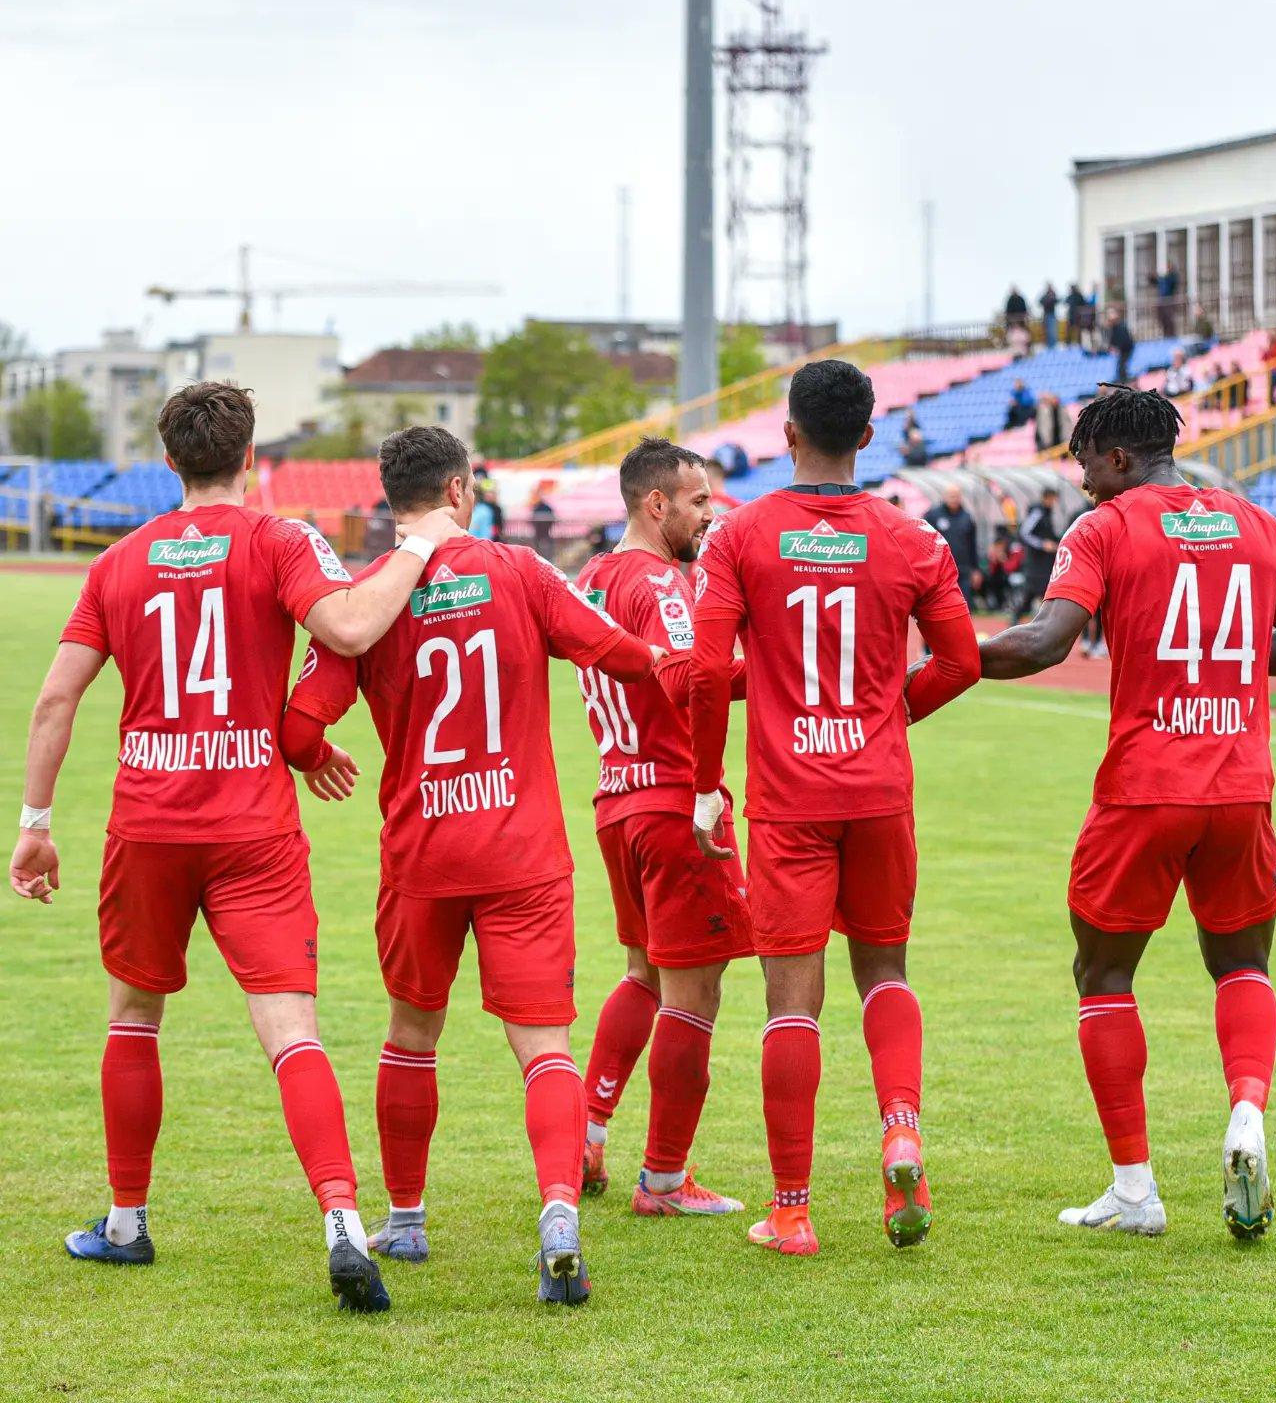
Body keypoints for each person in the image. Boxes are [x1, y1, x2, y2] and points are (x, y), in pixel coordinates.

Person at [7, 383, 465, 1310]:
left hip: (148, 823)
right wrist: (417, 544)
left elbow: (55, 699)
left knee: (134, 1018)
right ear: (251, 457)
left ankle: (127, 1223)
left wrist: (36, 826)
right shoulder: (280, 540)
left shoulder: (120, 561)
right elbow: (345, 628)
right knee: (292, 1033)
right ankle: (341, 1219)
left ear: (167, 461)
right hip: (251, 825)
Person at [278, 425, 661, 1307]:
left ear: (390, 499)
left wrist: (316, 759)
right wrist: (683, 665)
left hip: (422, 852)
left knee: (412, 1035)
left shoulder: (366, 595)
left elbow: (300, 727)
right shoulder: (521, 571)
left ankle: (405, 1220)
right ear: (459, 491)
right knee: (544, 1049)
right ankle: (559, 1216)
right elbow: (615, 652)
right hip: (522, 850)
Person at [977, 387, 1276, 1240]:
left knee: (1103, 975)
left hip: (1145, 787)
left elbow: (1044, 641)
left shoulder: (1107, 527)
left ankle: (1135, 1193)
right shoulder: (1255, 523)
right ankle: (1246, 1115)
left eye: (1089, 465)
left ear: (1121, 457)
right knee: (1241, 964)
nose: (1086, 485)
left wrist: (924, 663)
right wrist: (1230, 671)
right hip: (1241, 785)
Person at [687, 359, 981, 1256]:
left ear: (787, 433)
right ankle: (901, 1132)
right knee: (885, 974)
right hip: (878, 789)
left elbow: (705, 671)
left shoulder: (740, 537)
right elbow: (961, 662)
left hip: (788, 798)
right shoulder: (913, 537)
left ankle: (792, 1209)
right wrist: (890, 715)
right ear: (867, 435)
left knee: (791, 999)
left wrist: (705, 786)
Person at [573, 438, 751, 1218]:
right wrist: (777, 670)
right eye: (700, 501)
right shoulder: (658, 581)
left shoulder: (592, 577)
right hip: (676, 804)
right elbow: (688, 676)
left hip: (616, 796)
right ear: (658, 504)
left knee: (643, 974)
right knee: (695, 993)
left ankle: (586, 1129)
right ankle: (666, 1181)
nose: (709, 515)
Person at [925, 484, 982, 608]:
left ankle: (965, 628)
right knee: (942, 606)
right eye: (951, 496)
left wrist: (976, 569)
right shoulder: (933, 515)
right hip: (940, 570)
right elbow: (923, 541)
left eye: (956, 496)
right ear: (944, 497)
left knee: (964, 604)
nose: (954, 499)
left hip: (963, 570)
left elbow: (972, 545)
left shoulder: (967, 518)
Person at [1012, 487, 1060, 622]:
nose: (1054, 502)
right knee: (1034, 591)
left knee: (1039, 591)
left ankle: (1040, 620)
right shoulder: (1037, 512)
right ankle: (1018, 618)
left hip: (1045, 562)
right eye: (1053, 499)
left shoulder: (1047, 513)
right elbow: (1024, 533)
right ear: (1047, 497)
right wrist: (1042, 544)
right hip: (1036, 562)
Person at [1151, 262, 1181, 337]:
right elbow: (1155, 282)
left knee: (1169, 320)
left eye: (1169, 267)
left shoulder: (1171, 277)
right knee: (1162, 319)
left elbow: (1173, 282)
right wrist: (1152, 277)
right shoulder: (1163, 279)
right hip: (1162, 301)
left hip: (1169, 301)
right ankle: (1166, 334)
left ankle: (1171, 335)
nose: (1167, 269)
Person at [1106, 307, 1134, 384]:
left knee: (1122, 365)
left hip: (1126, 349)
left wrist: (1116, 347)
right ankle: (1122, 380)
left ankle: (1124, 380)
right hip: (1124, 349)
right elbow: (1113, 339)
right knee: (1121, 365)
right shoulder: (1115, 327)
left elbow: (1124, 340)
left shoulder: (1121, 327)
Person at [530, 489, 556, 562]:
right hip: (538, 533)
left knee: (547, 551)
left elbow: (552, 518)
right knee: (538, 551)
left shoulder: (547, 507)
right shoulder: (535, 507)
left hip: (545, 532)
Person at [1039, 283, 1060, 348]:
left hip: (1052, 315)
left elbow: (1057, 301)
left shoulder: (1053, 295)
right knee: (1047, 332)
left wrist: (1052, 297)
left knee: (1053, 332)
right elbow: (1040, 302)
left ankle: (1053, 346)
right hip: (1046, 315)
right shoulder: (1044, 296)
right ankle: (1048, 346)